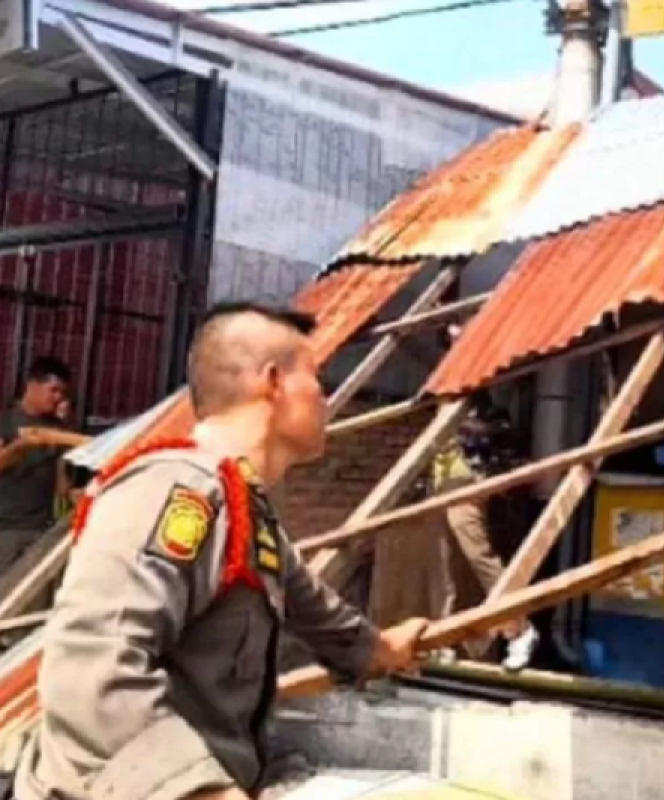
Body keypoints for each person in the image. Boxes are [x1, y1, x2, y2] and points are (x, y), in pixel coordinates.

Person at [15, 302, 429, 800]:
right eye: (316, 377)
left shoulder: (244, 508)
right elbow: (94, 675)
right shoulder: (174, 490)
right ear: (273, 382)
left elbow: (317, 613)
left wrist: (384, 649)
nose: (327, 397)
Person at [429, 392, 539, 670]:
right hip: (443, 493)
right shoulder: (445, 405)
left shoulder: (474, 404)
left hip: (466, 491)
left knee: (481, 561)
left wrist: (461, 428)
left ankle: (519, 629)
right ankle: (448, 641)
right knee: (449, 572)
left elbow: (491, 439)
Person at [0, 357, 73, 572]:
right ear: (33, 385)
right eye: (54, 390)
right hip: (6, 528)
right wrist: (20, 446)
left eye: (62, 393)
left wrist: (72, 497)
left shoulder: (58, 429)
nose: (58, 398)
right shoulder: (5, 423)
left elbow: (61, 479)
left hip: (41, 529)